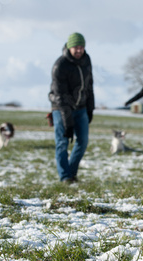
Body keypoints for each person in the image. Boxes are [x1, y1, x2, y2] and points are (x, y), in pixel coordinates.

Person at [49, 32, 94, 183]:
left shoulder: (86, 61)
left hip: (81, 108)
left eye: (81, 47)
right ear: (69, 47)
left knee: (83, 141)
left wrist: (90, 109)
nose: (79, 50)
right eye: (76, 47)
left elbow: (89, 87)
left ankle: (71, 173)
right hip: (60, 108)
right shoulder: (60, 65)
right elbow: (61, 97)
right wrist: (67, 122)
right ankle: (65, 176)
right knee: (62, 143)